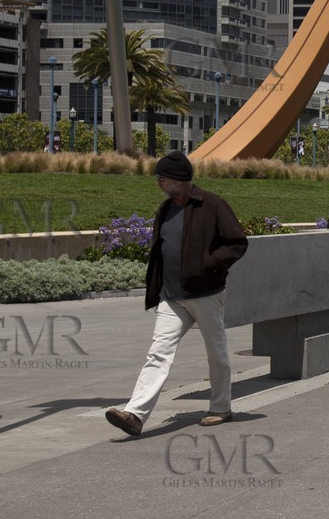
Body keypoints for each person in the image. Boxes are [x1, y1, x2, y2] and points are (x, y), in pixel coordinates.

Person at [105, 153, 249, 436]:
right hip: (171, 297)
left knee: (216, 353)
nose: (158, 183)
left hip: (206, 293)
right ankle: (135, 414)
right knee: (158, 353)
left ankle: (221, 407)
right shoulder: (165, 209)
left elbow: (237, 243)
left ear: (177, 180)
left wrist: (208, 265)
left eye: (161, 178)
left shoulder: (212, 205)